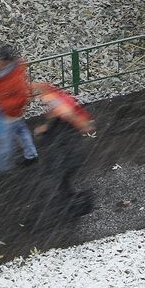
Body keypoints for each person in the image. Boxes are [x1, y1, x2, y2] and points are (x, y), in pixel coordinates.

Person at [33, 83, 94, 217]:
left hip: (64, 156)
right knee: (64, 182)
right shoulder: (59, 106)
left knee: (62, 181)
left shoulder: (57, 106)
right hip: (67, 154)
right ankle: (75, 203)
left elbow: (66, 113)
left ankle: (77, 205)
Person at [0, 45, 38, 173]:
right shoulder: (7, 72)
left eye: (1, 59)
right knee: (22, 132)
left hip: (9, 115)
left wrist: (1, 106)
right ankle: (31, 155)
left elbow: (22, 97)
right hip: (11, 113)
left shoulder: (14, 78)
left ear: (7, 61)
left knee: (5, 141)